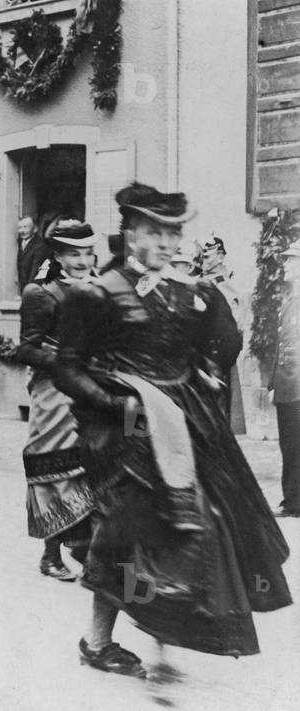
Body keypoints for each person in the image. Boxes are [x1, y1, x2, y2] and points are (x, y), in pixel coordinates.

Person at [55, 183, 292, 675]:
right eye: (153, 232)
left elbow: (221, 346)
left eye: (172, 234)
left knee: (207, 523)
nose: (164, 243)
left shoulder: (191, 292)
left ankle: (164, 622)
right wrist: (114, 400)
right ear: (129, 233)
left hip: (186, 426)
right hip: (123, 431)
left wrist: (210, 348)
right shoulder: (95, 293)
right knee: (129, 536)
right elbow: (68, 368)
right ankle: (96, 640)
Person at [16, 220, 98, 581]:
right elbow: (28, 348)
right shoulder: (40, 293)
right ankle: (50, 554)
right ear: (58, 256)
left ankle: (87, 549)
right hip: (54, 392)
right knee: (53, 465)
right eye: (73, 254)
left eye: (86, 253)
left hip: (93, 390)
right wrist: (70, 362)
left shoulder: (100, 290)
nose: (82, 261)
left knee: (94, 466)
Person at [199, 235, 246, 432]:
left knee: (215, 419)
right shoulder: (203, 281)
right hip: (202, 358)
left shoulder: (223, 285)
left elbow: (234, 327)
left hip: (216, 358)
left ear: (220, 256)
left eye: (207, 256)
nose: (203, 261)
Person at [271, 240, 300, 518]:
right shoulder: (291, 300)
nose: (287, 265)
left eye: (292, 260)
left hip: (297, 389)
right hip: (287, 387)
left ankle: (294, 502)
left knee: (295, 446)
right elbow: (281, 347)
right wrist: (273, 384)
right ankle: (291, 498)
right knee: (289, 446)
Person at [17, 216, 50, 292]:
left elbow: (35, 273)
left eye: (25, 227)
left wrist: (29, 292)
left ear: (35, 229)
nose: (22, 230)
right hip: (25, 289)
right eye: (20, 227)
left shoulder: (40, 247)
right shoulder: (21, 243)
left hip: (33, 290)